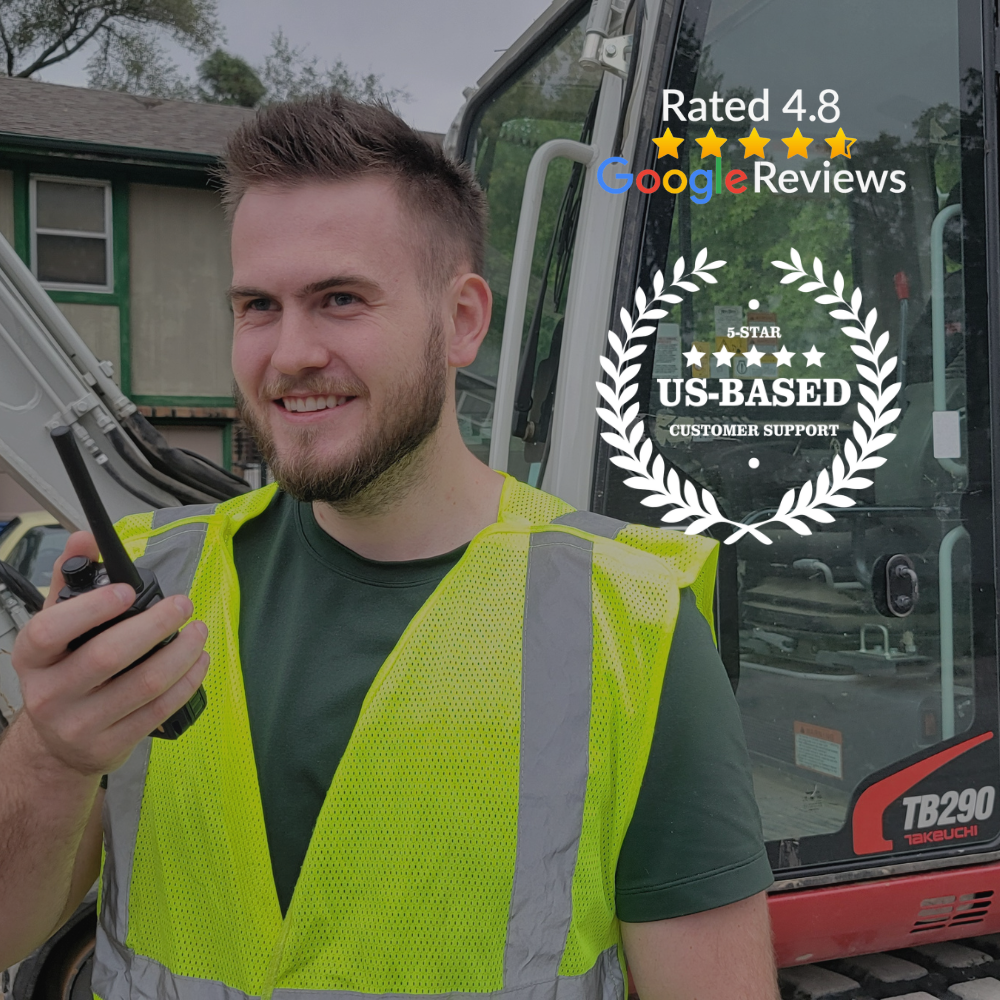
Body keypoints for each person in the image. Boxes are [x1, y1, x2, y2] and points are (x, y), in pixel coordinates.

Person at [0, 94, 778, 999]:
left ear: (463, 321)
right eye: (257, 306)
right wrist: (49, 754)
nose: (290, 353)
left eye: (340, 299)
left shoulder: (631, 623)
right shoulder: (146, 592)